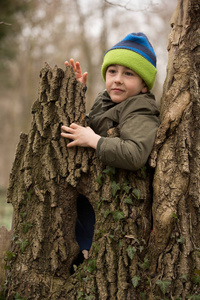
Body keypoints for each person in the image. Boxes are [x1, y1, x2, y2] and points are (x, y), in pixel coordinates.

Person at [61, 32, 160, 263]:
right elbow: (86, 125)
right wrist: (76, 94)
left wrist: (95, 141)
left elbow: (135, 154)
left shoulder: (140, 110)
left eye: (129, 74)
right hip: (92, 190)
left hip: (118, 202)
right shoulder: (104, 99)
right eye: (112, 71)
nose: (117, 79)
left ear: (144, 84)